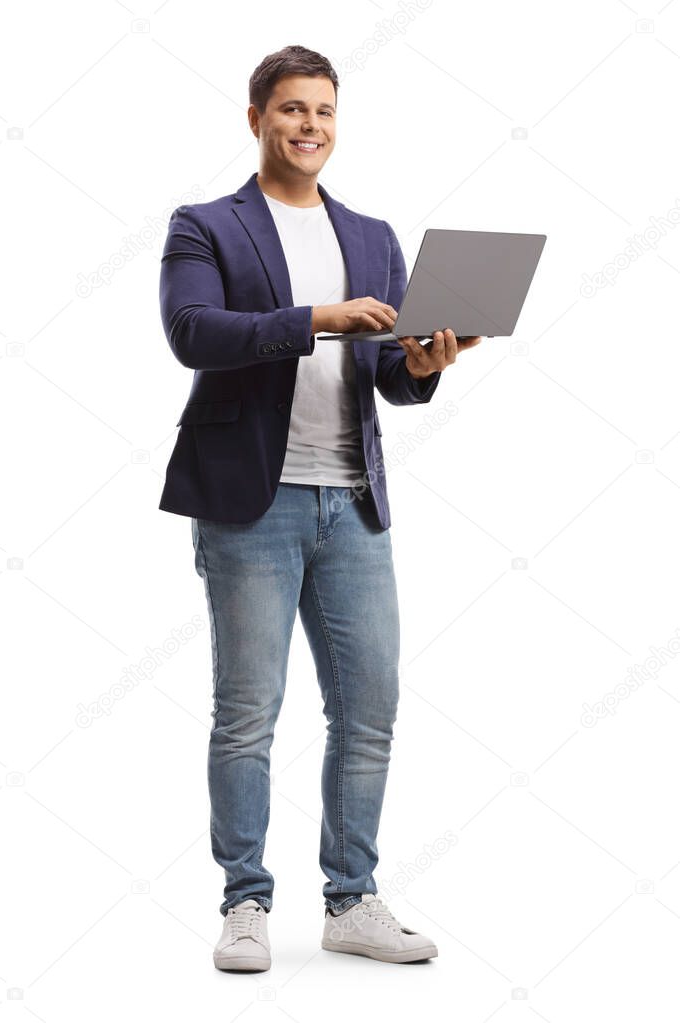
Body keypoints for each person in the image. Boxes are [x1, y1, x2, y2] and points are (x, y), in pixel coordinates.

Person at [158, 44, 483, 973]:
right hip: (249, 506)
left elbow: (387, 369)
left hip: (352, 503)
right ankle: (245, 901)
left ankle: (352, 897)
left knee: (370, 709)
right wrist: (316, 319)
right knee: (248, 712)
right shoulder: (206, 225)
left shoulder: (374, 233)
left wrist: (419, 365)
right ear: (256, 117)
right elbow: (192, 333)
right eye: (293, 110)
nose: (310, 127)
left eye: (325, 112)